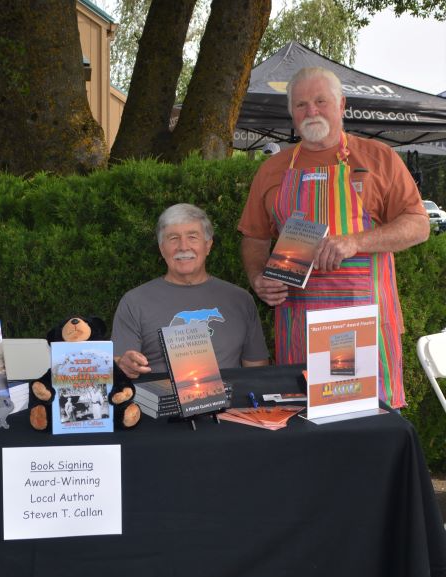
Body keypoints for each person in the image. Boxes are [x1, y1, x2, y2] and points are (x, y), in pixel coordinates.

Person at [238, 67, 430, 409]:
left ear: (341, 105)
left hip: (361, 323)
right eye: (301, 105)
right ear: (291, 114)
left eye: (320, 101)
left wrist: (356, 242)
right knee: (304, 423)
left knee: (366, 426)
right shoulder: (272, 168)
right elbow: (254, 237)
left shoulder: (378, 158)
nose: (311, 111)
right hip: (299, 324)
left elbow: (418, 224)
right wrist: (257, 278)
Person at [112, 203, 269, 378]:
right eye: (173, 238)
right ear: (161, 248)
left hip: (232, 404)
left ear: (208, 245)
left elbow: (257, 371)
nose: (183, 247)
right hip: (161, 403)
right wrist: (121, 364)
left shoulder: (240, 300)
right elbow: (121, 365)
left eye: (193, 237)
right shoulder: (134, 302)